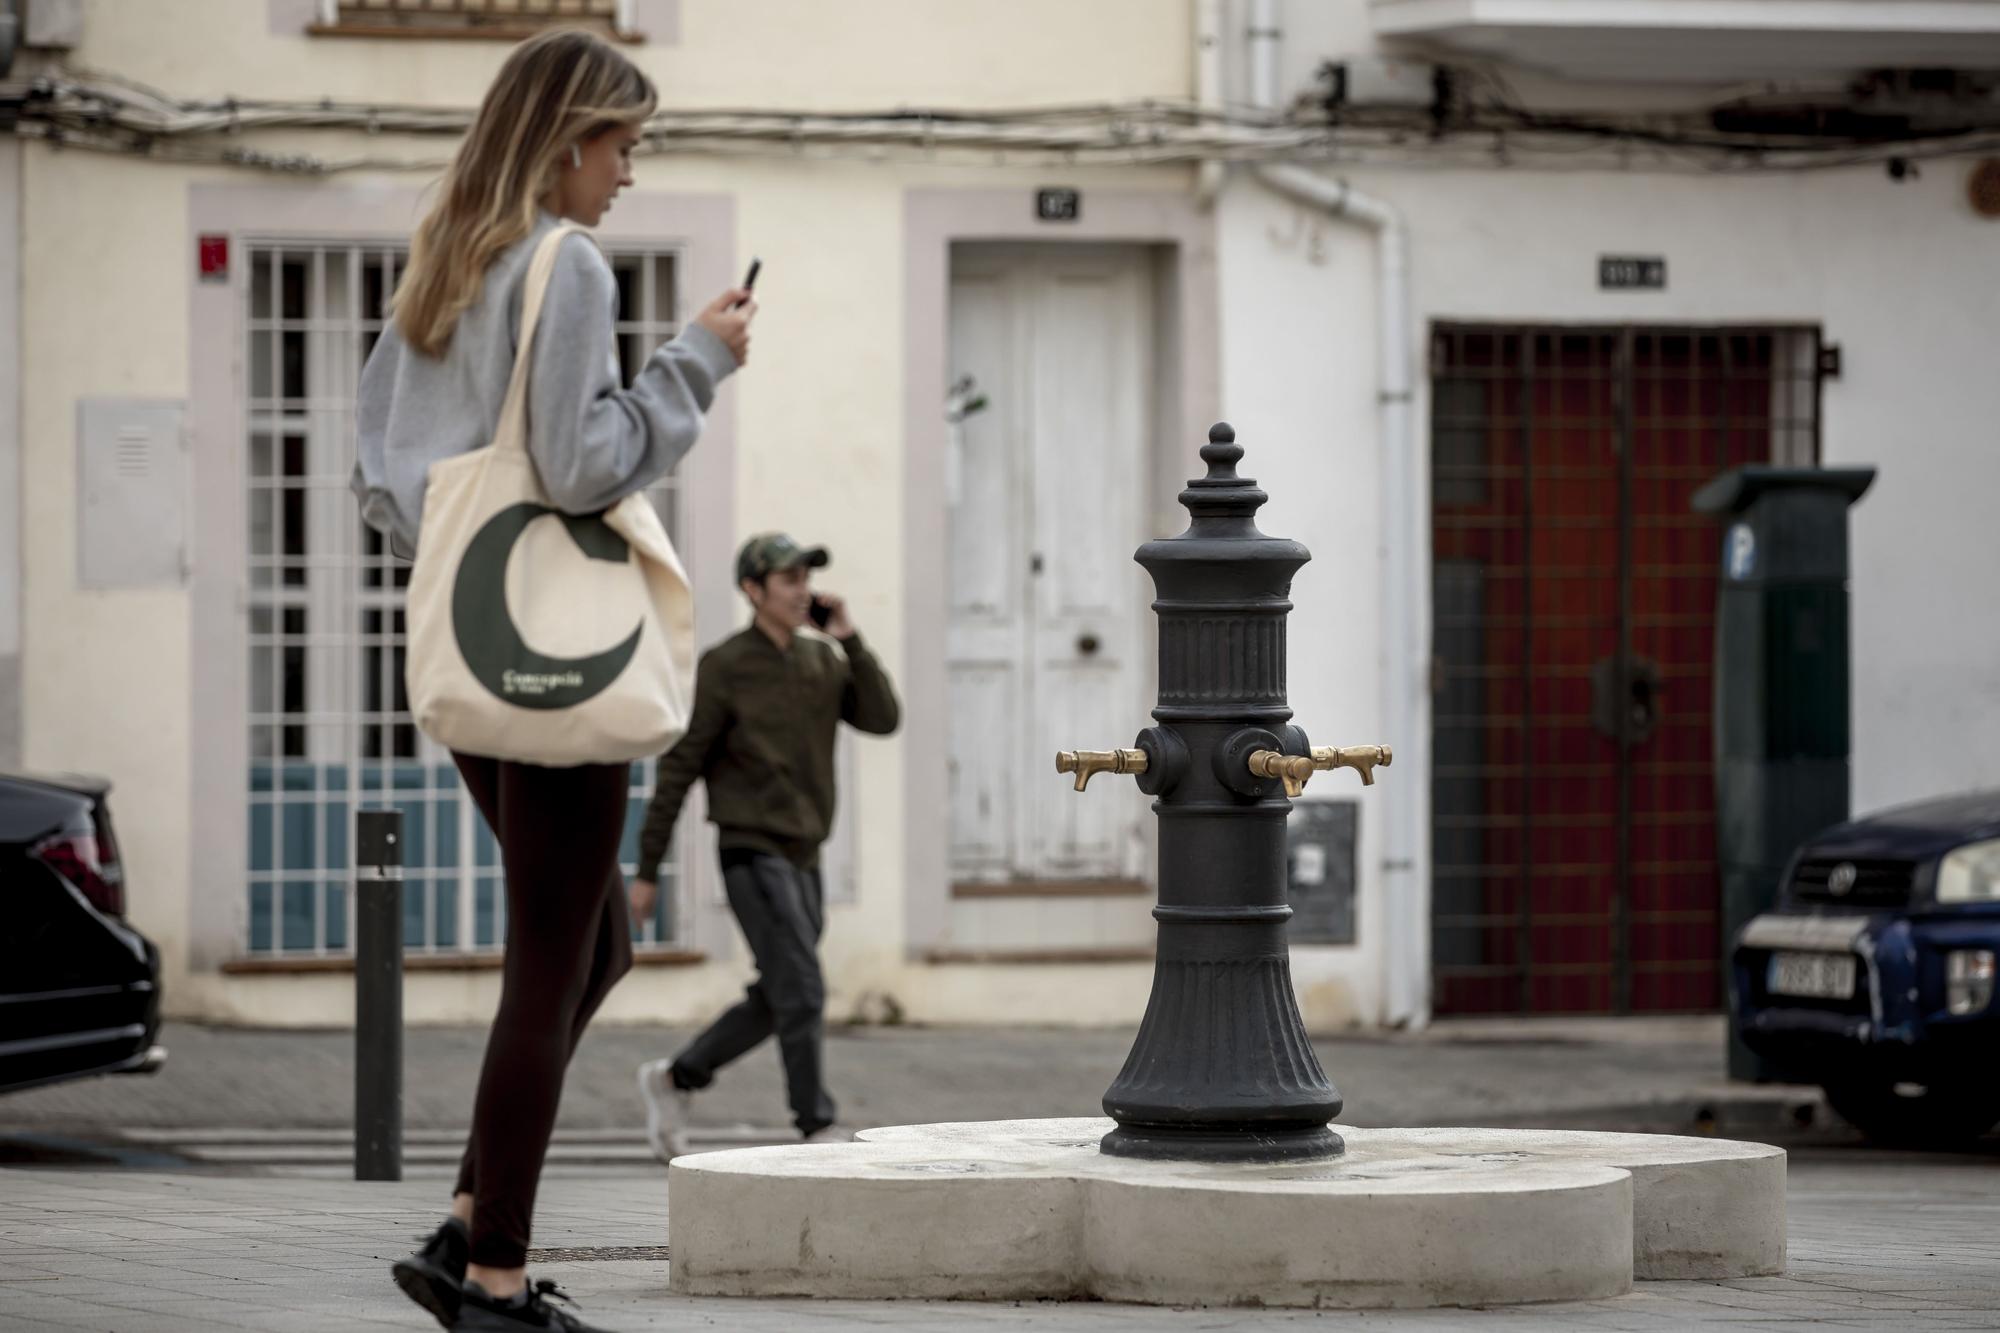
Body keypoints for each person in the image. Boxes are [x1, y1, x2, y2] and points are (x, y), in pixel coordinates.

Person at [351, 27, 754, 1333]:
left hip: (472, 646)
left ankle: (469, 1223)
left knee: (600, 940)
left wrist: (476, 552)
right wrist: (696, 361)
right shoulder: (564, 264)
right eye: (624, 145)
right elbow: (581, 467)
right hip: (558, 658)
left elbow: (380, 477)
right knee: (549, 960)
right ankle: (495, 1280)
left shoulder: (450, 255)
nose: (629, 174)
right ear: (570, 137)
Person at [630, 534, 901, 1158]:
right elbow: (681, 767)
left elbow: (883, 717)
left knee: (781, 990)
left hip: (805, 854)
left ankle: (676, 1078)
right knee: (802, 987)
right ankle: (814, 1124)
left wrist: (849, 639)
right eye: (788, 579)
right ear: (753, 590)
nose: (802, 589)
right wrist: (647, 868)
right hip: (750, 850)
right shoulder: (726, 666)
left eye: (806, 577)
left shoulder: (823, 662)